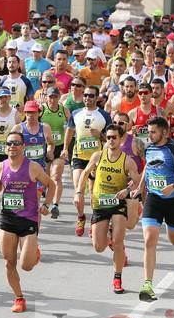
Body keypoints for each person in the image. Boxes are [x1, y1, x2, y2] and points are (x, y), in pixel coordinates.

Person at [0, 131, 55, 312]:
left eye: (16, 143)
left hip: (28, 219)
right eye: (9, 143)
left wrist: (47, 204)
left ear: (23, 146)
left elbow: (51, 184)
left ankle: (33, 252)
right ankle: (19, 298)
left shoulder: (32, 167)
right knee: (8, 262)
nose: (12, 146)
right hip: (8, 218)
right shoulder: (0, 167)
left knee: (26, 266)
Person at [131, 117, 174, 302]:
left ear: (164, 132)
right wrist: (140, 187)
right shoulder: (149, 147)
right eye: (149, 131)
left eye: (153, 132)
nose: (150, 135)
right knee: (149, 239)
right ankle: (148, 284)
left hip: (172, 201)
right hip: (153, 199)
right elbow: (147, 167)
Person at [76, 124, 140, 293]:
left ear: (120, 139)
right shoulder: (98, 156)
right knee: (99, 246)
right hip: (100, 203)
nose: (111, 140)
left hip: (118, 203)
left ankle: (117, 278)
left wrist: (126, 190)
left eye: (114, 137)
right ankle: (107, 233)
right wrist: (78, 192)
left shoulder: (128, 161)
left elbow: (137, 181)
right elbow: (84, 173)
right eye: (109, 137)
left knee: (118, 242)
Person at [61, 84, 112, 236]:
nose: (87, 98)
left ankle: (94, 220)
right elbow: (69, 132)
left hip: (97, 159)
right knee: (79, 189)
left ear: (97, 98)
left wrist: (101, 136)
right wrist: (65, 148)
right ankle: (81, 216)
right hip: (79, 157)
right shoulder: (76, 113)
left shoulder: (104, 115)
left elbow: (111, 139)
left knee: (94, 193)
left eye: (91, 96)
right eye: (85, 95)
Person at [39, 87, 69, 219]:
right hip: (44, 147)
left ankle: (55, 205)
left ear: (59, 97)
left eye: (55, 97)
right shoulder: (42, 110)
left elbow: (71, 129)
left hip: (59, 147)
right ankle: (45, 197)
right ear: (47, 97)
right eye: (50, 97)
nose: (52, 100)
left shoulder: (64, 110)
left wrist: (66, 148)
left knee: (56, 176)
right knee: (46, 176)